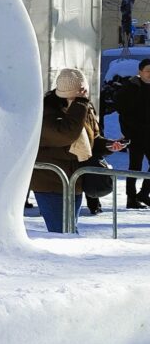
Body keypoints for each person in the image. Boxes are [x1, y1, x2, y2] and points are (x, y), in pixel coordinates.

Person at [30, 68, 126, 233]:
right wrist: (80, 103)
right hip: (51, 182)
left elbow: (91, 139)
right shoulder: (47, 111)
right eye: (80, 92)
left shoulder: (83, 108)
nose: (84, 95)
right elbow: (67, 134)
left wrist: (108, 145)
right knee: (62, 233)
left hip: (75, 181)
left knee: (70, 230)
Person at [115, 59, 150, 209]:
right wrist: (129, 131)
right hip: (135, 134)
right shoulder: (131, 87)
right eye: (148, 71)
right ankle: (131, 198)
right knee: (134, 166)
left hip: (148, 134)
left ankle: (144, 193)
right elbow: (122, 110)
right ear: (140, 72)